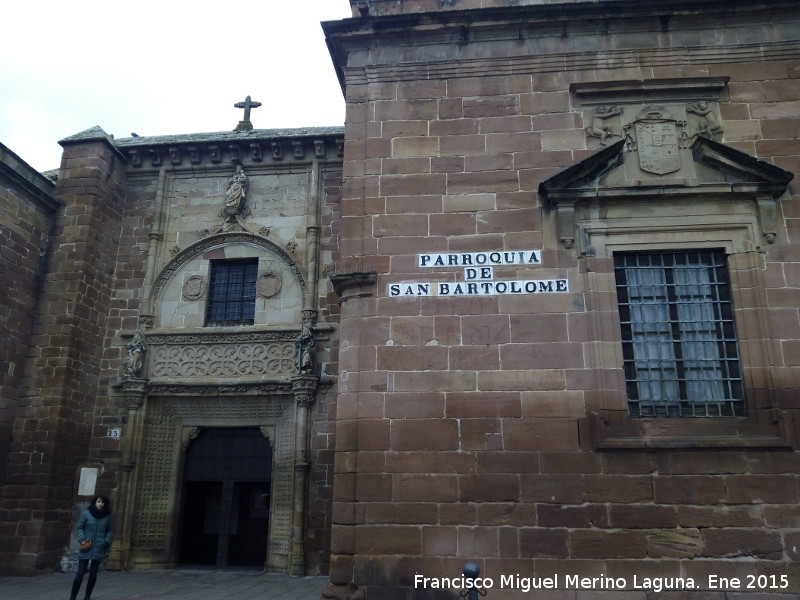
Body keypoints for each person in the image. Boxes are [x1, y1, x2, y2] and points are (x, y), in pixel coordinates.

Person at [70, 495, 114, 600]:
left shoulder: (107, 517)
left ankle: (87, 596)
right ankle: (73, 597)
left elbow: (110, 531)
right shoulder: (87, 514)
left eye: (102, 502)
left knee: (93, 574)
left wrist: (106, 541)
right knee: (80, 573)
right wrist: (82, 539)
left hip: (99, 547)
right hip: (86, 546)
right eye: (98, 501)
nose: (100, 504)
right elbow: (80, 527)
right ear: (95, 502)